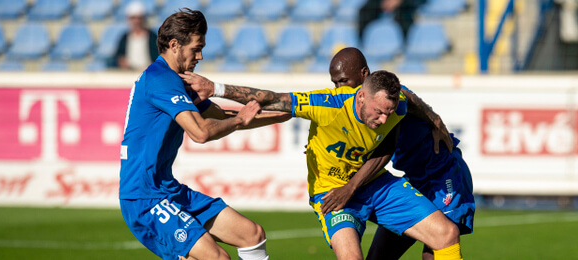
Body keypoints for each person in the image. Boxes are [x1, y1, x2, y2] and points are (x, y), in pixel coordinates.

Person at [181, 70, 464, 260]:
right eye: (378, 113)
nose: (382, 120)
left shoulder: (395, 106)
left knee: (446, 233)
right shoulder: (326, 105)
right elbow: (270, 97)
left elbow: (408, 100)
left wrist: (434, 118)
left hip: (375, 184)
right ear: (361, 95)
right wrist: (216, 88)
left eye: (388, 114)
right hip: (333, 194)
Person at [119, 9, 290, 260]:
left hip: (167, 189)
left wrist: (287, 113)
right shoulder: (160, 79)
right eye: (196, 48)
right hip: (144, 197)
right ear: (175, 45)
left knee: (251, 234)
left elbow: (223, 118)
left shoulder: (177, 82)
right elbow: (200, 132)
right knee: (217, 257)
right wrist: (241, 118)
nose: (200, 55)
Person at [324, 47, 475, 260]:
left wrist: (434, 118)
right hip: (413, 180)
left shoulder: (387, 96)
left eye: (343, 81)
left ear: (363, 74)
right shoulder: (358, 107)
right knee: (378, 256)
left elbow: (409, 98)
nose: (339, 88)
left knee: (438, 246)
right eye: (335, 83)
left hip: (442, 174)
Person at [113, 1, 159, 70]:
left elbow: (158, 57)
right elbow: (118, 57)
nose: (136, 21)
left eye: (139, 18)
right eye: (133, 18)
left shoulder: (152, 37)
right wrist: (122, 62)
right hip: (128, 73)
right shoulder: (124, 38)